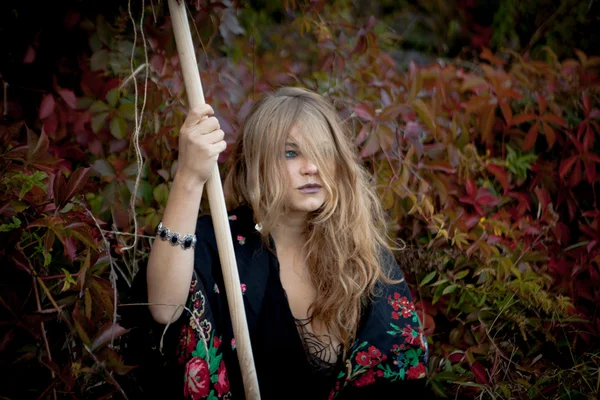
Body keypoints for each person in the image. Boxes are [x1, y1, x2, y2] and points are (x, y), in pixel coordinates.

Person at [144, 87, 430, 399]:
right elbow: (164, 309)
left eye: (322, 151)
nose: (312, 167)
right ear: (256, 162)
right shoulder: (219, 245)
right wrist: (188, 175)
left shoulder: (360, 252)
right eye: (291, 153)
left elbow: (398, 372)